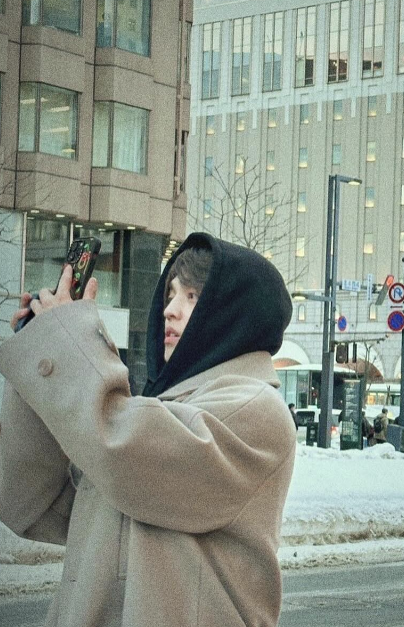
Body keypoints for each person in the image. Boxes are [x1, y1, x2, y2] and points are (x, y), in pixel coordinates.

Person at [0, 233, 296, 627]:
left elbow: (120, 454)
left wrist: (70, 341)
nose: (170, 310)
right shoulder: (159, 409)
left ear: (235, 312)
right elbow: (32, 502)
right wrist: (39, 358)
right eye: (171, 293)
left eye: (192, 296)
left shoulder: (256, 409)